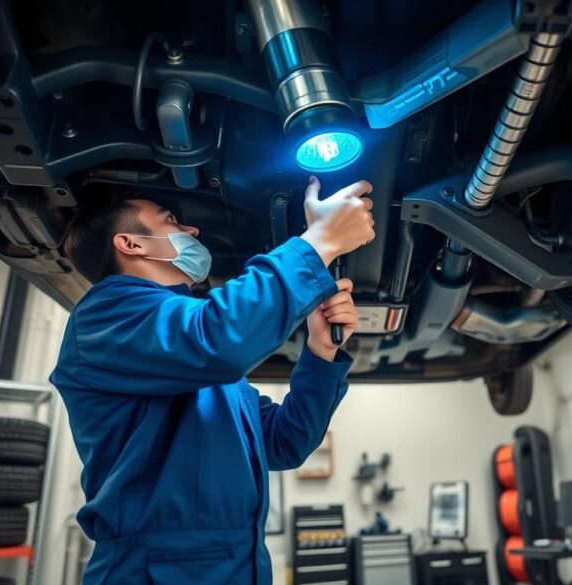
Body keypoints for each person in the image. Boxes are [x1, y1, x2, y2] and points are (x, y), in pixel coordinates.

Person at [49, 176, 375, 584]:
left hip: (235, 564)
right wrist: (319, 241)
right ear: (131, 244)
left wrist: (319, 354)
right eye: (171, 221)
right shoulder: (108, 316)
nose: (192, 230)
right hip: (154, 570)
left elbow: (282, 442)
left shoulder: (183, 346)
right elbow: (220, 339)